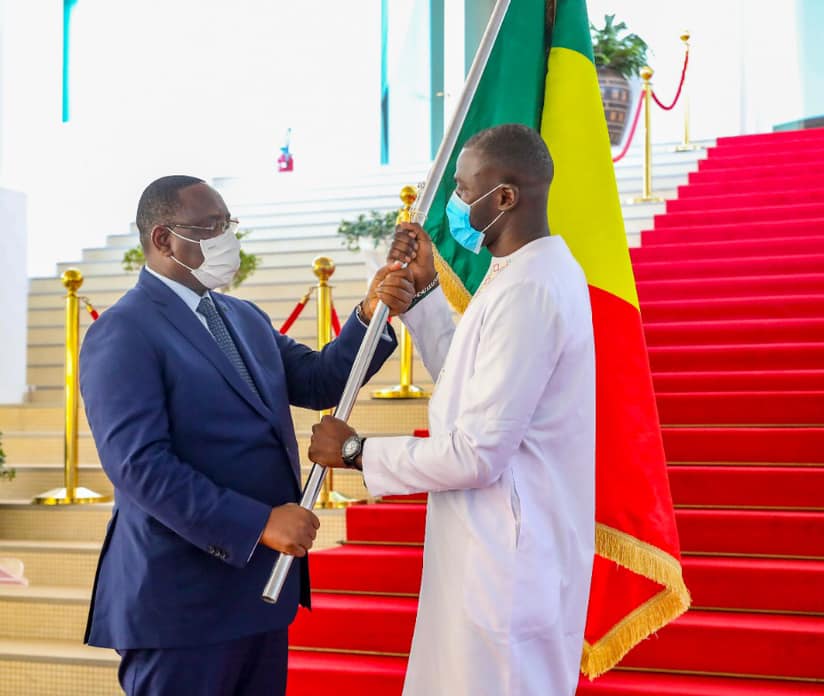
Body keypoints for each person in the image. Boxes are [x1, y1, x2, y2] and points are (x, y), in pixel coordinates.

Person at [80, 175, 414, 695]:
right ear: (164, 239)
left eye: (228, 224)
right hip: (181, 599)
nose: (226, 238)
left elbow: (320, 378)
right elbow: (139, 466)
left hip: (256, 590)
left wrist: (370, 314)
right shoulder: (124, 330)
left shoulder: (241, 317)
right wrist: (258, 523)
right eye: (210, 227)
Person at [309, 124, 597, 695]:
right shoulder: (516, 274)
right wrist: (423, 298)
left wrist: (354, 451)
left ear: (506, 197)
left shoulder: (531, 289)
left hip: (507, 560)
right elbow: (475, 389)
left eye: (464, 190)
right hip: (483, 547)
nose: (455, 204)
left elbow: (477, 453)